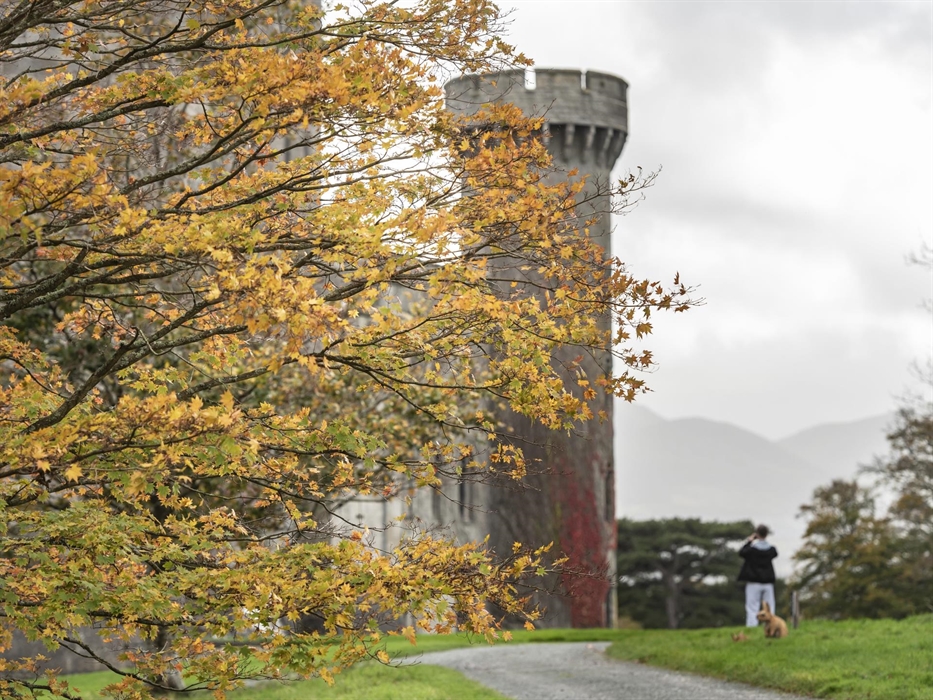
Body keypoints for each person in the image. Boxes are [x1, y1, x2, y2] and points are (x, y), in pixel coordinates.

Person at [737, 524, 778, 627]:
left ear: (756, 534)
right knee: (769, 606)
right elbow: (775, 554)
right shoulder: (771, 550)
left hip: (753, 582)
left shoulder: (751, 550)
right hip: (768, 582)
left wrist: (750, 541)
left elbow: (742, 552)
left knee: (752, 607)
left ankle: (752, 625)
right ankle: (771, 625)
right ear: (767, 534)